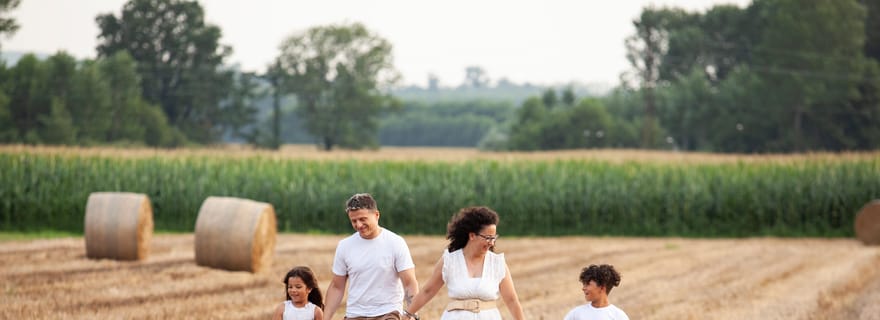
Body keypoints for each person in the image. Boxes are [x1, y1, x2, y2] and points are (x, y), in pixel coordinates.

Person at [403, 206, 525, 320]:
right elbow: (427, 292)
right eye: (487, 238)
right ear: (472, 235)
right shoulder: (449, 261)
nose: (491, 243)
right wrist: (407, 315)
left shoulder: (497, 263)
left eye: (494, 238)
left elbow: (512, 300)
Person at [323, 193, 420, 320]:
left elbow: (409, 283)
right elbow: (337, 287)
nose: (358, 225)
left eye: (363, 219)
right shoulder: (344, 246)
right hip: (355, 314)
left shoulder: (395, 243)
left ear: (376, 215)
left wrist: (412, 314)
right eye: (354, 221)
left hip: (388, 312)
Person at [562, 264, 629, 320]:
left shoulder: (619, 316)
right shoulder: (576, 315)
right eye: (583, 284)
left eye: (588, 284)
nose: (583, 288)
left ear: (602, 288)